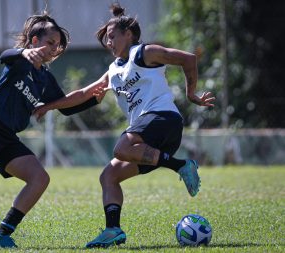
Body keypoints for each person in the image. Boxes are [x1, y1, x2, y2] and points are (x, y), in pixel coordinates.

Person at [33, 3, 215, 248]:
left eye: (112, 36)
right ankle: (113, 230)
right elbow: (84, 93)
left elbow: (188, 59)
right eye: (106, 39)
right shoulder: (114, 71)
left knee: (121, 147)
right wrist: (48, 106)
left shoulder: (144, 53)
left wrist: (191, 93)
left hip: (163, 119)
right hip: (149, 140)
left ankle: (182, 165)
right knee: (109, 175)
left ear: (128, 34)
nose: (108, 42)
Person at [0, 12, 105, 251]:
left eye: (57, 46)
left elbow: (66, 106)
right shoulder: (20, 60)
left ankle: (2, 235)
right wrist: (23, 52)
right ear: (34, 40)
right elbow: (5, 55)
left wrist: (95, 96)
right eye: (50, 42)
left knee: (40, 178)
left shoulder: (44, 78)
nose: (54, 49)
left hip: (8, 136)